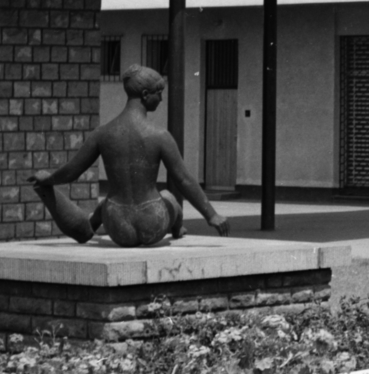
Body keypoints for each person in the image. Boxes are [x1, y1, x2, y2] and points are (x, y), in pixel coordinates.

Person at [29, 64, 230, 246]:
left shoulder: (102, 133)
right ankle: (177, 229)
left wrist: (49, 179)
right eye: (158, 93)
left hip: (117, 226)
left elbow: (71, 171)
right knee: (169, 196)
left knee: (105, 203)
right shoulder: (160, 135)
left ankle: (86, 227)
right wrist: (211, 215)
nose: (160, 99)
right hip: (153, 223)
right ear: (145, 94)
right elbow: (183, 179)